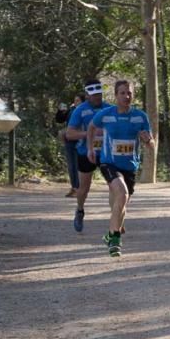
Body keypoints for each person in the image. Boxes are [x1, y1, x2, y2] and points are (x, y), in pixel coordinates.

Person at [88, 80, 153, 257]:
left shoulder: (140, 117)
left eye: (129, 93)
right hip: (108, 162)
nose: (126, 96)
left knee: (122, 202)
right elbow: (92, 127)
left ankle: (110, 233)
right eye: (122, 93)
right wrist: (90, 149)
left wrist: (148, 140)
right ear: (116, 95)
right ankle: (115, 239)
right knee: (122, 193)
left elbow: (151, 142)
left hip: (130, 165)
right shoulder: (105, 114)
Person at [68, 80, 113, 232]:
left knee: (114, 186)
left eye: (99, 94)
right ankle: (80, 210)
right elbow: (70, 134)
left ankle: (117, 216)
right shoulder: (80, 110)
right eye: (94, 95)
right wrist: (89, 134)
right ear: (87, 95)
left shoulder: (110, 109)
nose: (97, 97)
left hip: (106, 154)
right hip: (85, 153)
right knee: (84, 189)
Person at [56, 92, 86, 197]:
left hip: (80, 140)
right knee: (71, 166)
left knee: (78, 165)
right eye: (75, 100)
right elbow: (60, 120)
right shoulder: (72, 110)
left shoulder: (85, 111)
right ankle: (74, 188)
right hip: (69, 140)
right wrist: (60, 111)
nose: (75, 102)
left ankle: (79, 188)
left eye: (78, 100)